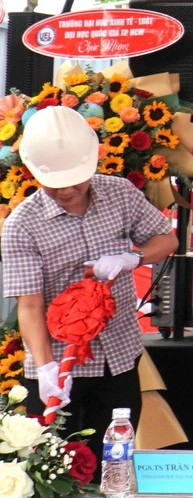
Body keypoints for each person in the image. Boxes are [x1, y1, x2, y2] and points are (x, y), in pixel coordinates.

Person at [3, 106, 176, 477]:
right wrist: (47, 368)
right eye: (55, 183)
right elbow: (30, 307)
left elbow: (167, 239)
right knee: (56, 474)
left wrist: (132, 257)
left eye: (76, 181)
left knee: (114, 468)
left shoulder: (118, 193)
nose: (67, 190)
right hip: (59, 367)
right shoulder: (21, 225)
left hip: (119, 358)